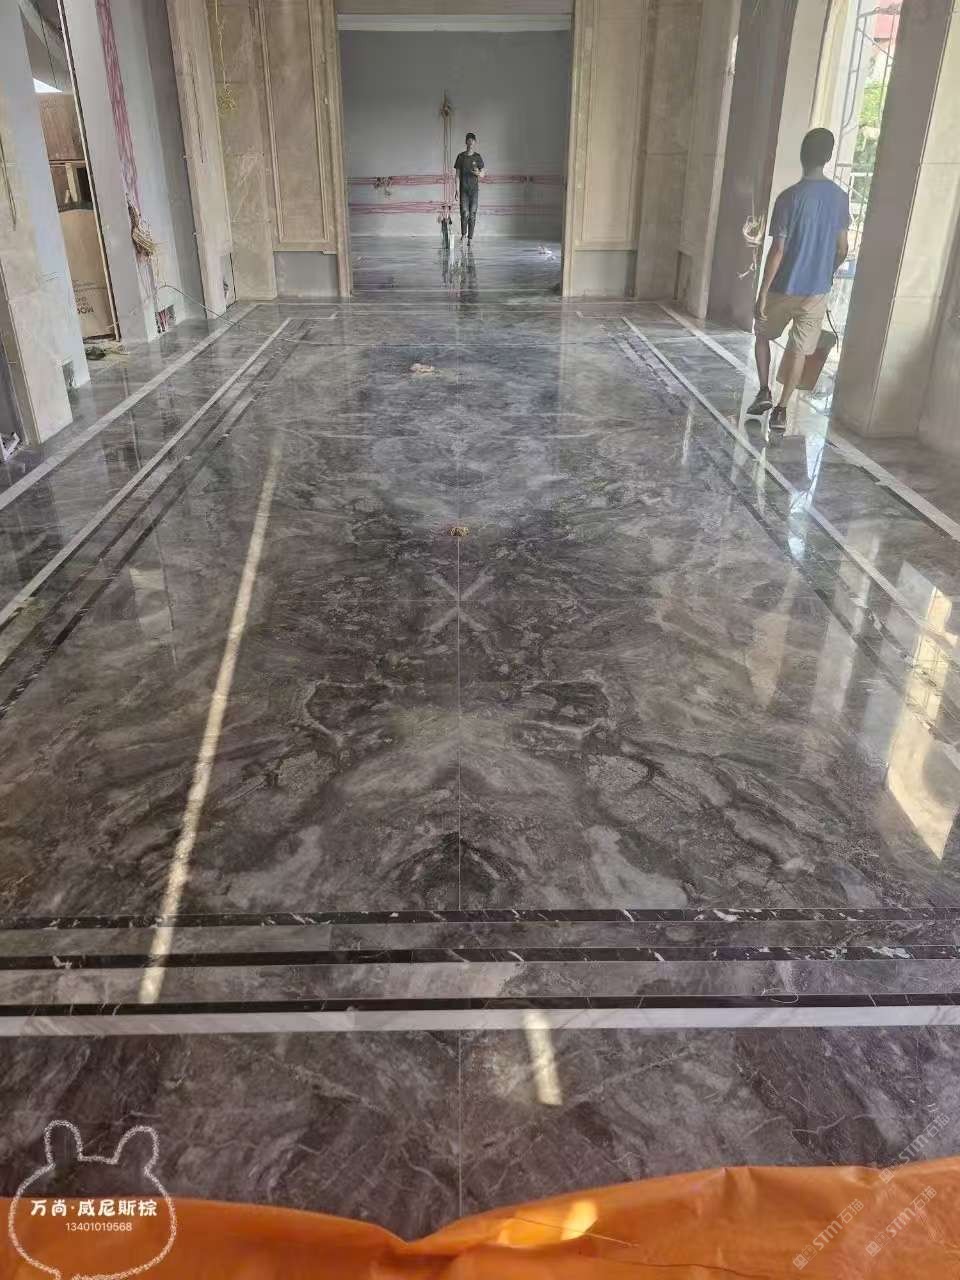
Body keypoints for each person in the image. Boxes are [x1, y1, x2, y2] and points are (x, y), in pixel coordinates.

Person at [748, 128, 850, 429]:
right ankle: (781, 410)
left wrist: (762, 292)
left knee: (762, 335)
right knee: (799, 351)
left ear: (802, 155)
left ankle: (764, 390)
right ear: (828, 157)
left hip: (783, 286)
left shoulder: (788, 198)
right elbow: (842, 248)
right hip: (816, 291)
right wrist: (826, 271)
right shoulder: (840, 198)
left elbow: (778, 250)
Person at [454, 133, 485, 243]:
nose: (471, 142)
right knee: (464, 212)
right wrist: (457, 190)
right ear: (466, 142)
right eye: (469, 140)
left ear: (475, 142)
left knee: (472, 214)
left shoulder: (477, 157)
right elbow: (457, 175)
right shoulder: (460, 157)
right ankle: (463, 234)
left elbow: (483, 174)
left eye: (472, 140)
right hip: (464, 190)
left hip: (474, 190)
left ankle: (470, 238)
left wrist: (478, 173)